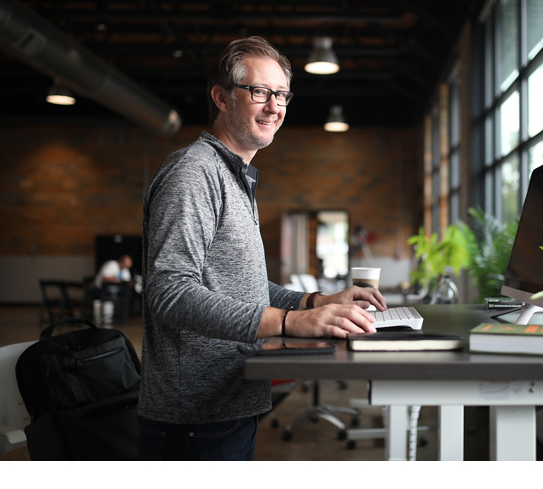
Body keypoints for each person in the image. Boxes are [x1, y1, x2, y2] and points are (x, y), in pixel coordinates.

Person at [138, 36, 386, 461]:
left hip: (228, 404)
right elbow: (169, 292)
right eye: (260, 92)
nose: (274, 107)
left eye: (282, 95)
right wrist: (289, 322)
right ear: (221, 97)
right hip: (193, 418)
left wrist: (315, 302)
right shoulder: (194, 173)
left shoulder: (235, 176)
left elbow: (244, 288)